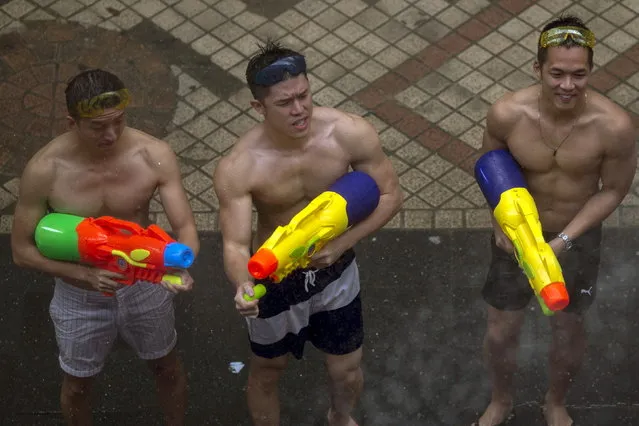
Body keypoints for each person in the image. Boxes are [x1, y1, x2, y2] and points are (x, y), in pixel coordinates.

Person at [213, 41, 402, 426]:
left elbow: (391, 196)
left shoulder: (348, 132)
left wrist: (342, 245)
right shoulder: (240, 166)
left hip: (336, 268)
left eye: (304, 95)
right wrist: (241, 284)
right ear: (258, 107)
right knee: (269, 369)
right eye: (284, 103)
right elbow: (234, 243)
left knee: (346, 369)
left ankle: (340, 417)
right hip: (275, 273)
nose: (299, 110)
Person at [10, 69, 200, 426]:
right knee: (78, 384)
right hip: (78, 293)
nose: (111, 134)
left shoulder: (153, 154)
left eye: (118, 121)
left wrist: (178, 266)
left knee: (167, 367)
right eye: (97, 126)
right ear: (71, 122)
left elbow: (186, 228)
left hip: (146, 284)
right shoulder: (45, 169)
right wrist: (82, 274)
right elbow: (21, 251)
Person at [474, 15, 637, 426]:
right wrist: (499, 224)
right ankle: (501, 400)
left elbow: (612, 190)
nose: (568, 85)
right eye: (558, 74)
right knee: (501, 332)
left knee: (567, 331)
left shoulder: (614, 127)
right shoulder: (508, 113)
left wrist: (563, 239)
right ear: (538, 69)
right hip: (516, 233)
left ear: (591, 71)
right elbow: (490, 166)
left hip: (576, 236)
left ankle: (555, 402)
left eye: (579, 74)